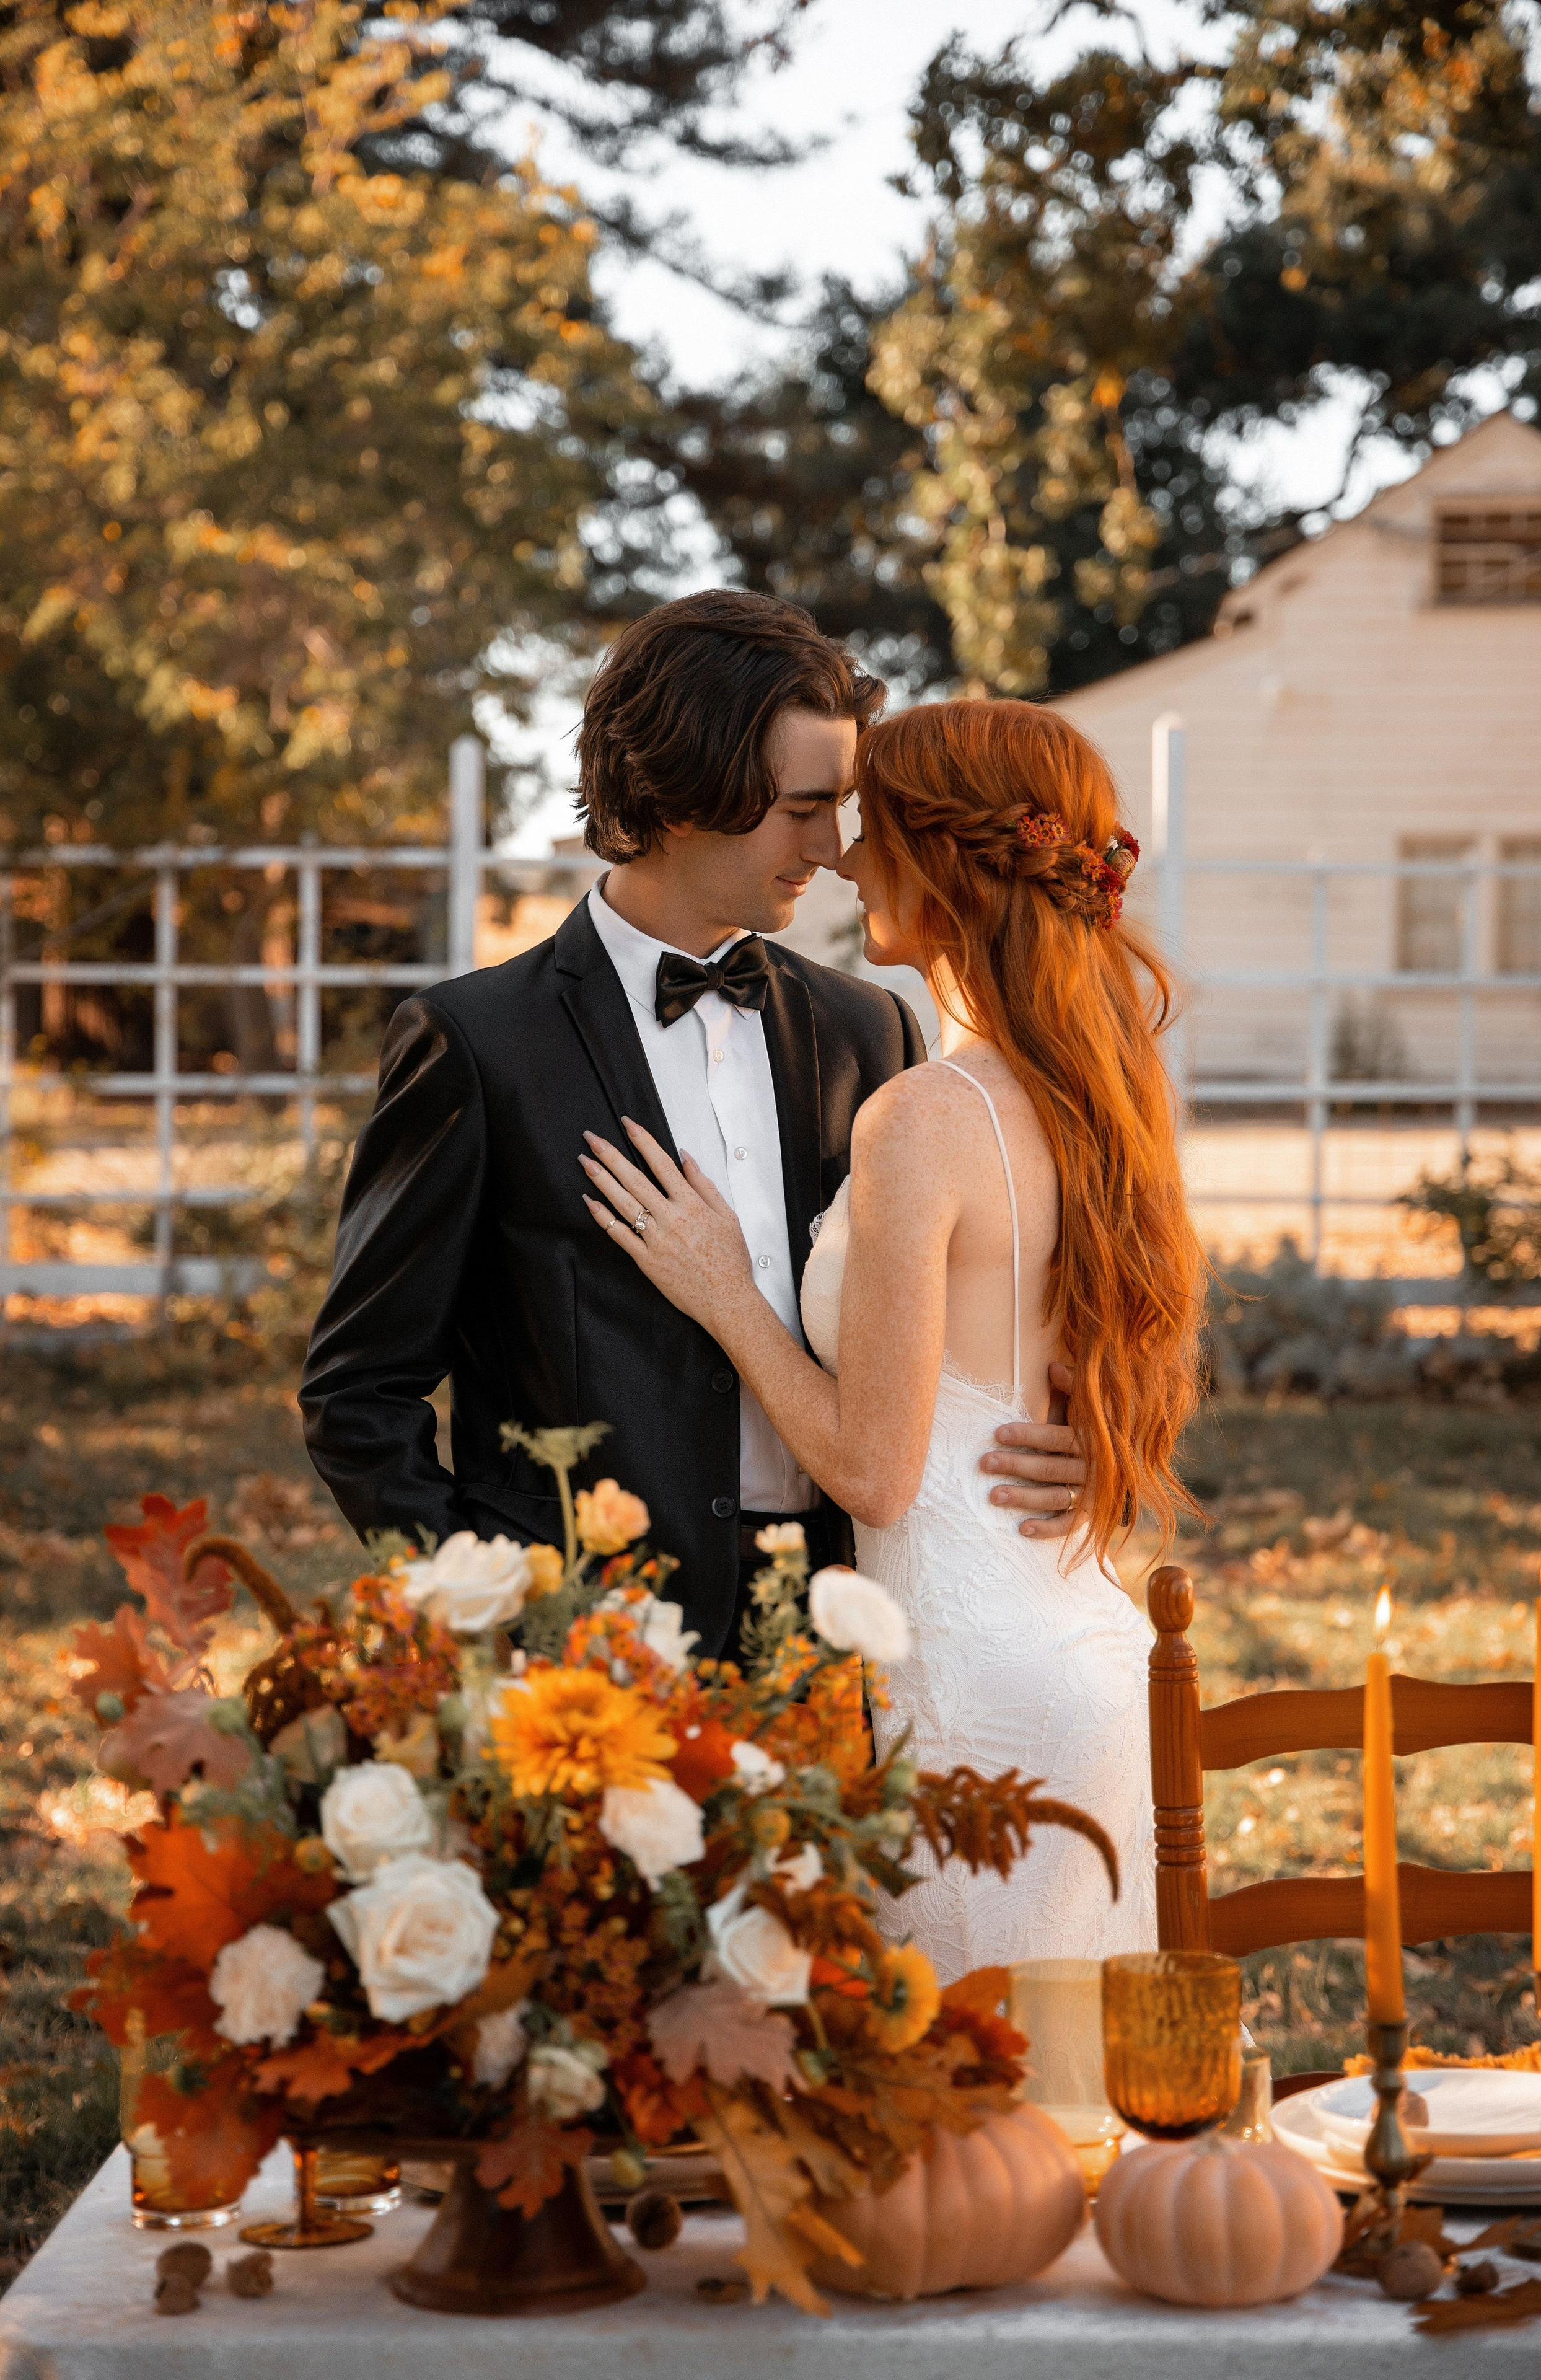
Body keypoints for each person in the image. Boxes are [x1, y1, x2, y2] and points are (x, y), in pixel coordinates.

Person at [301, 594, 1091, 1660]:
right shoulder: (478, 1045)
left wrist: (1083, 1437)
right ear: (681, 797)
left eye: (839, 805)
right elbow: (360, 1393)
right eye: (799, 808)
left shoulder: (871, 1030)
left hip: (842, 1643)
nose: (837, 846)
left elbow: (969, 1314)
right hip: (580, 1649)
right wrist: (484, 1617)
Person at [578, 699, 1205, 1972]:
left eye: (874, 831)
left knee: (970, 2127)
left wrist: (725, 1291)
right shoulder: (1101, 1088)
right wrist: (1101, 1445)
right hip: (1083, 1652)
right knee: (1082, 2121)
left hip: (970, 1694)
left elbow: (872, 1470)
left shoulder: (921, 1115)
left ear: (944, 862)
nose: (848, 859)